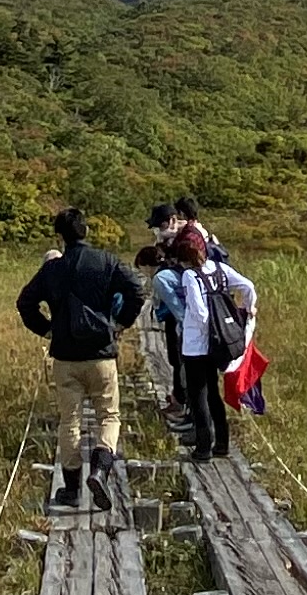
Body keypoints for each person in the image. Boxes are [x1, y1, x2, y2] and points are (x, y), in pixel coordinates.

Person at [15, 206, 144, 511]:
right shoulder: (105, 261)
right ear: (85, 230)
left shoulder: (52, 269)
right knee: (109, 416)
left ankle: (72, 490)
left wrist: (47, 330)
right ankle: (100, 468)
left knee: (69, 420)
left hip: (65, 357)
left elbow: (25, 302)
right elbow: (136, 290)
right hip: (101, 354)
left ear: (59, 237)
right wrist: (119, 323)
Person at [151, 223, 254, 460]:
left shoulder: (190, 275)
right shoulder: (218, 269)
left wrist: (198, 327)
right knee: (213, 393)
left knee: (198, 395)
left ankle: (203, 446)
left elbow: (198, 311)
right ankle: (222, 443)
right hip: (216, 344)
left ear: (182, 259)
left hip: (196, 344)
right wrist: (250, 308)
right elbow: (247, 286)